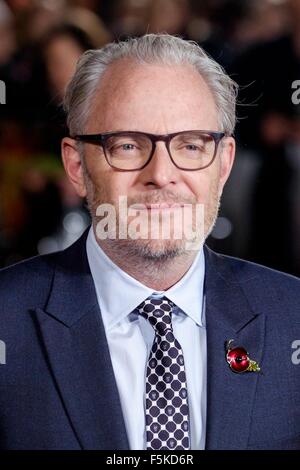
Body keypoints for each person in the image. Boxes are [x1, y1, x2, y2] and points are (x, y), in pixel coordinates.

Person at [0, 34, 300, 451]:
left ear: (224, 163)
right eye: (127, 145)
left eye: (191, 145)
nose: (161, 173)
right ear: (76, 165)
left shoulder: (293, 316)